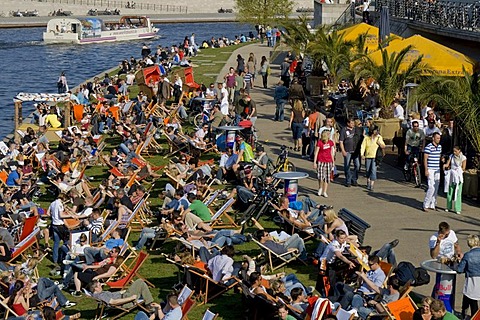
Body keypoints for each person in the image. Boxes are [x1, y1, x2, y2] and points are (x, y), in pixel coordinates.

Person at [457, 234, 480, 319]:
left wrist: (460, 261)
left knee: (471, 300)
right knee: (471, 300)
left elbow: (459, 270)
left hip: (471, 280)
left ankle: (465, 315)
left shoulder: (468, 255)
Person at [360, 125, 385, 191]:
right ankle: (368, 180)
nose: (376, 131)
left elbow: (383, 146)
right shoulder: (366, 138)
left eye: (377, 130)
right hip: (368, 156)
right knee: (368, 170)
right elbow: (363, 146)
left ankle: (371, 184)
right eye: (375, 130)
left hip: (375, 157)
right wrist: (362, 154)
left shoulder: (379, 137)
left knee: (373, 170)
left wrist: (379, 143)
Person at [443, 146, 466, 214]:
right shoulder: (451, 156)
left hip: (458, 176)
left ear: (459, 151)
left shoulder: (463, 158)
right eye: (453, 151)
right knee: (450, 191)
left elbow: (464, 168)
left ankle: (457, 208)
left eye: (455, 151)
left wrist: (459, 170)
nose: (454, 152)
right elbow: (448, 164)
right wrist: (445, 165)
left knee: (458, 192)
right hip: (452, 176)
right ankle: (448, 206)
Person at [423, 132, 442, 212]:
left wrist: (442, 159)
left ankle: (432, 204)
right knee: (431, 187)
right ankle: (426, 204)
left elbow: (439, 156)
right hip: (430, 168)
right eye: (437, 138)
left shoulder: (440, 147)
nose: (439, 140)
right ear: (433, 138)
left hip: (437, 169)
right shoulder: (428, 147)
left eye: (439, 138)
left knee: (436, 186)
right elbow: (425, 159)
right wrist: (426, 169)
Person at [313, 130, 335, 198]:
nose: (329, 135)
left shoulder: (330, 142)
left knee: (327, 177)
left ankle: (325, 191)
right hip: (321, 161)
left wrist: (333, 161)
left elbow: (331, 152)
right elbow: (316, 152)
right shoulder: (320, 142)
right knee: (320, 176)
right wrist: (315, 162)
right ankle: (320, 188)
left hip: (328, 161)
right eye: (328, 134)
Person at [339, 118, 360, 187]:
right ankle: (348, 180)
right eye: (351, 123)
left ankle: (354, 179)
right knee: (347, 166)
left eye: (353, 123)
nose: (353, 124)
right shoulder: (344, 130)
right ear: (348, 123)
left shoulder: (356, 129)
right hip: (347, 150)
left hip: (355, 151)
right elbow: (341, 141)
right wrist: (343, 150)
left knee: (357, 165)